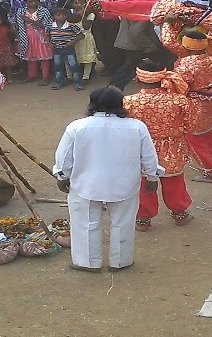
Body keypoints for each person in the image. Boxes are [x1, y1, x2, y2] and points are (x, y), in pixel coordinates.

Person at [53, 87, 162, 272]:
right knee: (123, 222)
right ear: (120, 104)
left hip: (85, 184)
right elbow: (149, 156)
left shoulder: (77, 126)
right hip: (124, 184)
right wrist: (152, 176)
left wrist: (61, 175)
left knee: (85, 223)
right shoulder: (136, 126)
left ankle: (87, 262)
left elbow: (64, 156)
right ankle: (120, 262)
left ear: (92, 104)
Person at [123, 61, 194, 231]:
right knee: (174, 181)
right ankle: (180, 214)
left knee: (143, 183)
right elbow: (190, 125)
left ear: (138, 79)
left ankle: (143, 219)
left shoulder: (129, 101)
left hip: (140, 148)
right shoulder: (178, 100)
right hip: (172, 146)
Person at [160, 26, 212, 183]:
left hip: (193, 105)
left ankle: (211, 170)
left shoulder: (184, 64)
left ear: (185, 46)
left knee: (193, 139)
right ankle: (209, 160)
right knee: (209, 134)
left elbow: (180, 88)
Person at [45, 8, 84, 91]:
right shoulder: (50, 26)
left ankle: (77, 83)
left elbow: (81, 35)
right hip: (56, 49)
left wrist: (72, 42)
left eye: (63, 15)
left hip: (68, 48)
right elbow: (47, 35)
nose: (61, 17)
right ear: (53, 16)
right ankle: (59, 82)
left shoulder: (71, 26)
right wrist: (49, 43)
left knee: (73, 66)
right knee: (58, 67)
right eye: (58, 15)